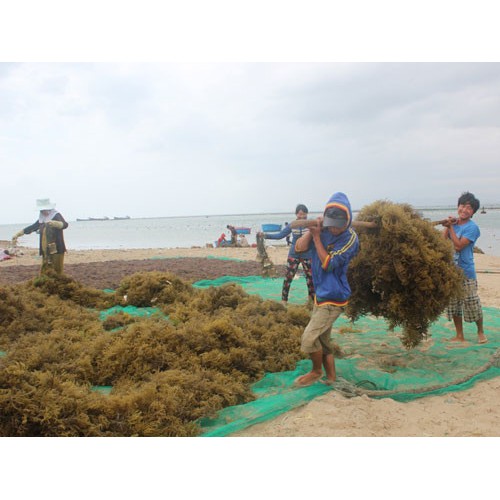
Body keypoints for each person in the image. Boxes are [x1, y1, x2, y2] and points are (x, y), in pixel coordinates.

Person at [293, 192, 359, 387]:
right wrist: (312, 230)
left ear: (347, 221)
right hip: (320, 294)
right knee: (323, 340)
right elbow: (298, 248)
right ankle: (331, 378)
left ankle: (316, 371)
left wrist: (317, 238)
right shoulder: (324, 229)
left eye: (338, 225)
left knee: (308, 339)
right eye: (331, 224)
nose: (334, 229)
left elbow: (328, 264)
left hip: (335, 297)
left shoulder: (351, 239)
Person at [442, 191, 487, 344]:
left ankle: (480, 332)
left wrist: (452, 228)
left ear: (473, 212)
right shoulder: (453, 224)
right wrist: (448, 226)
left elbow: (459, 246)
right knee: (454, 305)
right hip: (451, 271)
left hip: (466, 272)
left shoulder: (473, 228)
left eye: (469, 208)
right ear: (458, 207)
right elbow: (442, 241)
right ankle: (459, 335)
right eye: (462, 206)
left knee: (472, 303)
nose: (464, 210)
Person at [258, 204, 315, 304]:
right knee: (288, 277)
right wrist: (265, 235)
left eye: (304, 215)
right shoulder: (292, 225)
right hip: (294, 254)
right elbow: (280, 235)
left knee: (311, 279)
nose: (302, 217)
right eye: (300, 215)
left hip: (308, 255)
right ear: (296, 214)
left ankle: (311, 301)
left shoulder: (311, 225)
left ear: (307, 214)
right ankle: (284, 300)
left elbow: (319, 236)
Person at [12, 198, 69, 275]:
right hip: (45, 249)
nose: (43, 212)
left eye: (44, 210)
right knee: (45, 268)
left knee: (57, 270)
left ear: (49, 208)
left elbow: (65, 225)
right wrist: (18, 234)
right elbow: (33, 227)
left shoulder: (56, 215)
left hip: (57, 248)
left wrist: (57, 224)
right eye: (41, 210)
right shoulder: (42, 218)